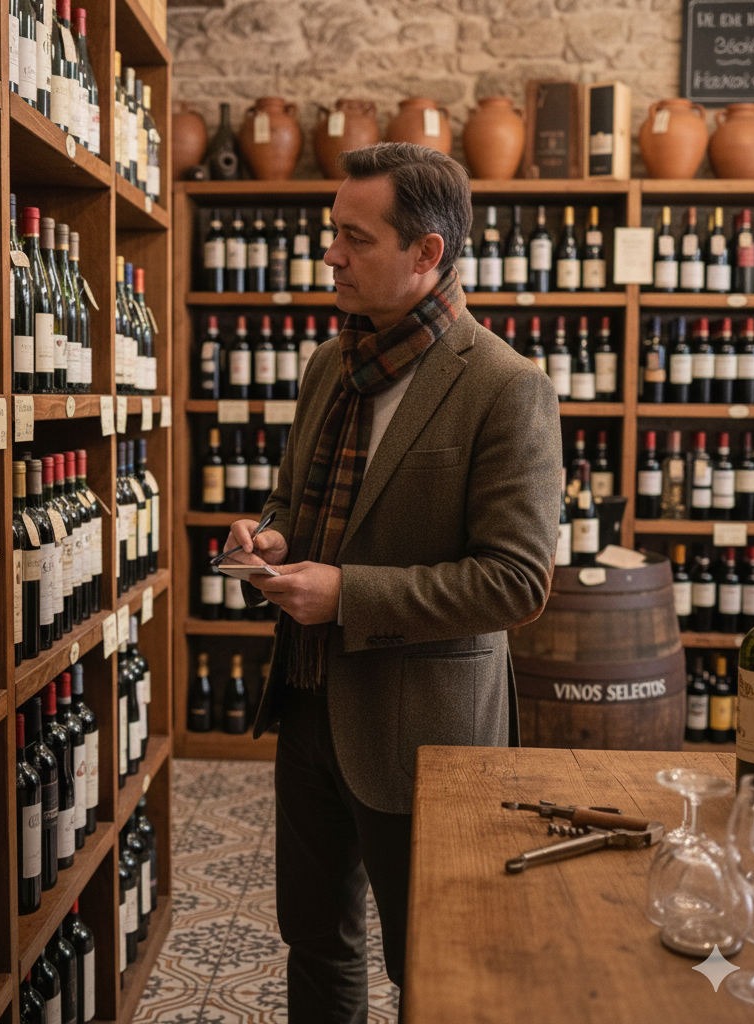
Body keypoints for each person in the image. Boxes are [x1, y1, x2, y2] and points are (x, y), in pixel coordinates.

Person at [221, 143, 562, 1023]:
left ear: (426, 254)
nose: (330, 254)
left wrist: (350, 595)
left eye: (353, 237)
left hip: (426, 731)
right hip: (305, 702)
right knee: (316, 943)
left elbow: (517, 581)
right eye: (331, 233)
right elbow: (295, 499)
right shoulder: (328, 366)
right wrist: (268, 533)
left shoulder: (505, 386)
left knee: (436, 967)